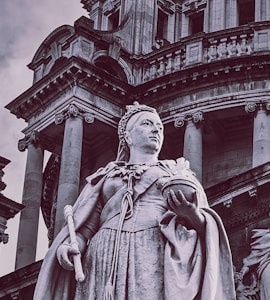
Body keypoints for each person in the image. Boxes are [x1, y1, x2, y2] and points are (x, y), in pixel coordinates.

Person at [34, 102, 235, 300]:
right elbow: (86, 227)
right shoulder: (105, 176)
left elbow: (205, 228)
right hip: (103, 254)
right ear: (128, 136)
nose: (156, 130)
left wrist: (190, 213)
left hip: (151, 246)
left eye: (159, 127)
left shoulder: (177, 172)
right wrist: (70, 245)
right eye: (147, 124)